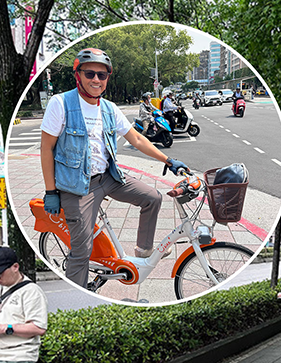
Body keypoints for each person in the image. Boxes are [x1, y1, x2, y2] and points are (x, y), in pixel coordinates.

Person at [39, 48, 188, 289]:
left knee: (152, 197)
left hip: (108, 177)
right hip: (78, 188)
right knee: (81, 249)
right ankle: (74, 301)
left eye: (102, 75)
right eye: (90, 74)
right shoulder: (61, 104)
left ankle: (143, 251)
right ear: (78, 75)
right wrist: (51, 192)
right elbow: (46, 149)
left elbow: (137, 140)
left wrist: (167, 161)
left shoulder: (109, 108)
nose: (96, 80)